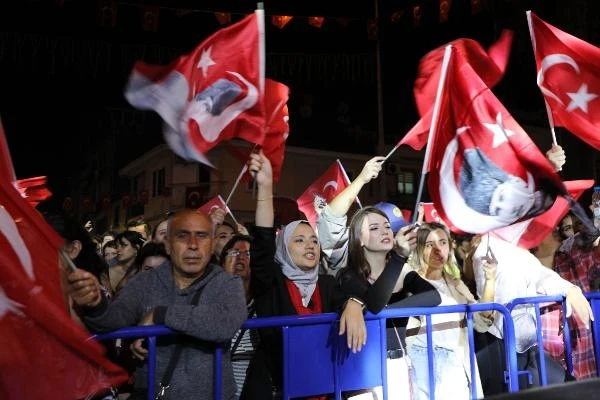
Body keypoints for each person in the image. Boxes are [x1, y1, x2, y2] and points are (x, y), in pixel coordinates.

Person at [67, 209, 247, 399]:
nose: (193, 245)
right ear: (168, 245)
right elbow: (114, 320)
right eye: (182, 236)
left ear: (211, 245)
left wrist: (160, 315)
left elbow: (224, 323)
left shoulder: (227, 283)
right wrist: (95, 304)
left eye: (201, 236)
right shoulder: (144, 282)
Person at [244, 150, 366, 398]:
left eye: (313, 240)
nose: (310, 245)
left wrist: (353, 304)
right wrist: (266, 187)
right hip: (277, 388)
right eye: (299, 240)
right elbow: (263, 240)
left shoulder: (327, 283)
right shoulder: (272, 282)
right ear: (284, 249)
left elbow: (356, 291)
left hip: (322, 385)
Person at [472, 233, 593, 394]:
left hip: (528, 342)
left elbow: (540, 275)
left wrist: (570, 289)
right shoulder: (486, 248)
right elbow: (487, 305)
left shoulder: (519, 249)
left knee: (566, 388)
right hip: (500, 342)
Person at [406, 222, 496, 400]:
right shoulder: (408, 282)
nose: (438, 250)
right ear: (418, 249)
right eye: (430, 245)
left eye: (443, 242)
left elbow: (481, 320)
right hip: (424, 367)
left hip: (457, 364)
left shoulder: (455, 283)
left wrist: (490, 279)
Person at [219, 234, 259, 399]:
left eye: (248, 254)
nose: (241, 257)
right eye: (234, 252)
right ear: (222, 262)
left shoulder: (264, 306)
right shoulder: (209, 302)